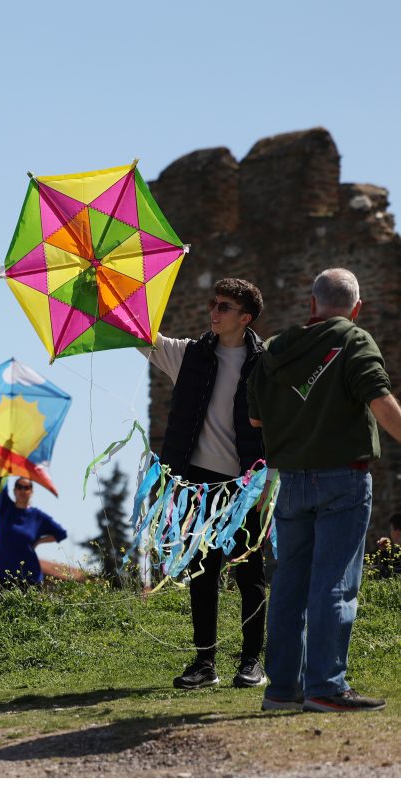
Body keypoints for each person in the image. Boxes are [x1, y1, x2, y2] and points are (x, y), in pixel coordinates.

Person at [250, 268, 401, 713]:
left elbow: (255, 419)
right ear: (357, 308)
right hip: (342, 479)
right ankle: (325, 687)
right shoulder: (353, 339)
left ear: (312, 303)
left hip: (290, 482)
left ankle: (281, 690)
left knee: (289, 584)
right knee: (334, 581)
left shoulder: (274, 348)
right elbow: (380, 402)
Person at [142, 278, 269, 691]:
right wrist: (105, 293)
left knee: (250, 573)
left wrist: (270, 476)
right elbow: (141, 335)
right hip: (198, 484)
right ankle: (204, 663)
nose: (213, 311)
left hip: (246, 484)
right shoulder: (190, 354)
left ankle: (252, 662)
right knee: (203, 570)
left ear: (245, 317)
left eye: (224, 307)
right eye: (213, 303)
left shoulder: (265, 363)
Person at [0, 477, 67, 592]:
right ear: (14, 490)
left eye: (26, 488)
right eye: (19, 487)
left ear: (32, 492)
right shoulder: (5, 507)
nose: (22, 490)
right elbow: (0, 485)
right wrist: (6, 469)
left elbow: (61, 533)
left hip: (28, 577)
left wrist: (39, 541)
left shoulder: (38, 516)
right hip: (2, 574)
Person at [372, 513, 401, 579]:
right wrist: (385, 550)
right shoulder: (398, 550)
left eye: (391, 530)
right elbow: (391, 568)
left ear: (397, 532)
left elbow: (390, 574)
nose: (390, 533)